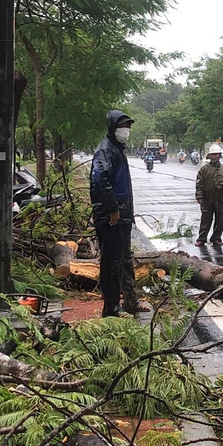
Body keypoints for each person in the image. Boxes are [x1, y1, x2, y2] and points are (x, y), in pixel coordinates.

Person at [90, 109, 141, 317]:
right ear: (112, 127)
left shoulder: (118, 148)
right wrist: (113, 210)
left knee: (124, 260)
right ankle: (111, 310)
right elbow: (99, 180)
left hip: (122, 217)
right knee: (111, 265)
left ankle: (130, 301)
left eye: (128, 126)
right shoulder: (106, 150)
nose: (125, 130)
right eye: (122, 126)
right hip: (111, 218)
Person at [194, 143, 223, 248]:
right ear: (209, 156)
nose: (214, 156)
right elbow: (199, 184)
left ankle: (216, 238)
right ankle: (201, 239)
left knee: (220, 221)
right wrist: (199, 196)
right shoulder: (204, 169)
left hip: (220, 198)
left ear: (220, 156)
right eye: (212, 155)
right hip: (207, 199)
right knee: (205, 220)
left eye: (216, 154)